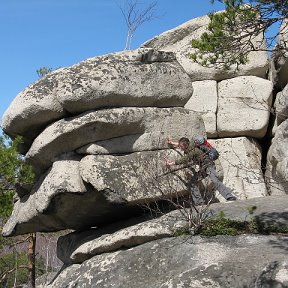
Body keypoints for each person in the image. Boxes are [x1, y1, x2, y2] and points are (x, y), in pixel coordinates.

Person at [164, 136, 237, 205]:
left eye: (181, 146)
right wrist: (172, 143)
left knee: (215, 181)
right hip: (203, 169)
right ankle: (199, 203)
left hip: (209, 166)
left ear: (186, 146)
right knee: (192, 183)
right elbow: (181, 144)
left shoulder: (193, 151)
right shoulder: (191, 145)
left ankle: (229, 197)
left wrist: (171, 163)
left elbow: (183, 160)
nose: (179, 148)